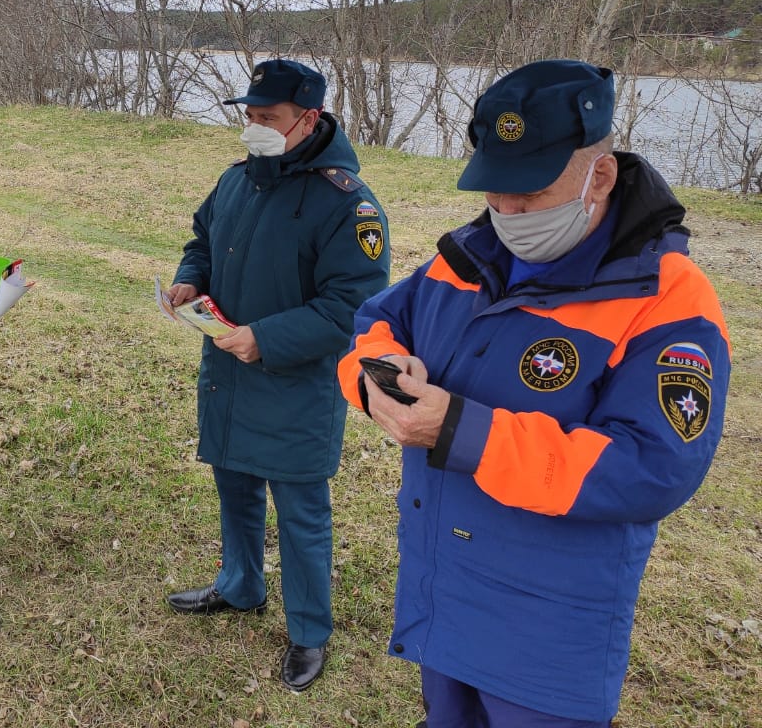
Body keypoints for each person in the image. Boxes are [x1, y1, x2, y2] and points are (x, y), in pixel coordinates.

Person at [338, 60, 731, 726]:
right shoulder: (467, 254)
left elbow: (651, 470)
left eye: (530, 192)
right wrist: (375, 381)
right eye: (495, 190)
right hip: (444, 590)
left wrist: (461, 431)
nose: (509, 212)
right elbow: (377, 321)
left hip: (549, 631)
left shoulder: (667, 298)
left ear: (598, 177)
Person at [164, 59, 391, 693]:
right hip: (228, 373)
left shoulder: (347, 203)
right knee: (234, 488)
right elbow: (203, 239)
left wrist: (265, 339)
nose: (254, 129)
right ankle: (240, 585)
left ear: (308, 120)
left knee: (301, 513)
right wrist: (191, 279)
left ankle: (309, 632)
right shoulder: (238, 180)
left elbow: (352, 307)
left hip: (294, 382)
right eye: (250, 117)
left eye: (268, 119)